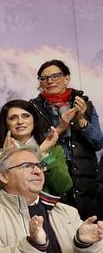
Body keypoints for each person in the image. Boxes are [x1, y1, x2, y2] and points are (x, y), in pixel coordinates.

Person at [30, 59, 103, 221]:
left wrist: (82, 120)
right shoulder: (33, 108)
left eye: (55, 76)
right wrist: (62, 127)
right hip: (51, 174)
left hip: (86, 179)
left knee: (91, 232)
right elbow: (35, 147)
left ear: (67, 78)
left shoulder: (85, 105)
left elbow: (98, 143)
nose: (50, 81)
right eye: (44, 78)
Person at [0, 100, 72, 201]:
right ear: (6, 124)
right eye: (13, 118)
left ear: (35, 121)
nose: (20, 121)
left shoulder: (52, 151)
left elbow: (62, 187)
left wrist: (42, 155)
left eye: (26, 116)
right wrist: (5, 157)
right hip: (10, 213)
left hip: (45, 212)